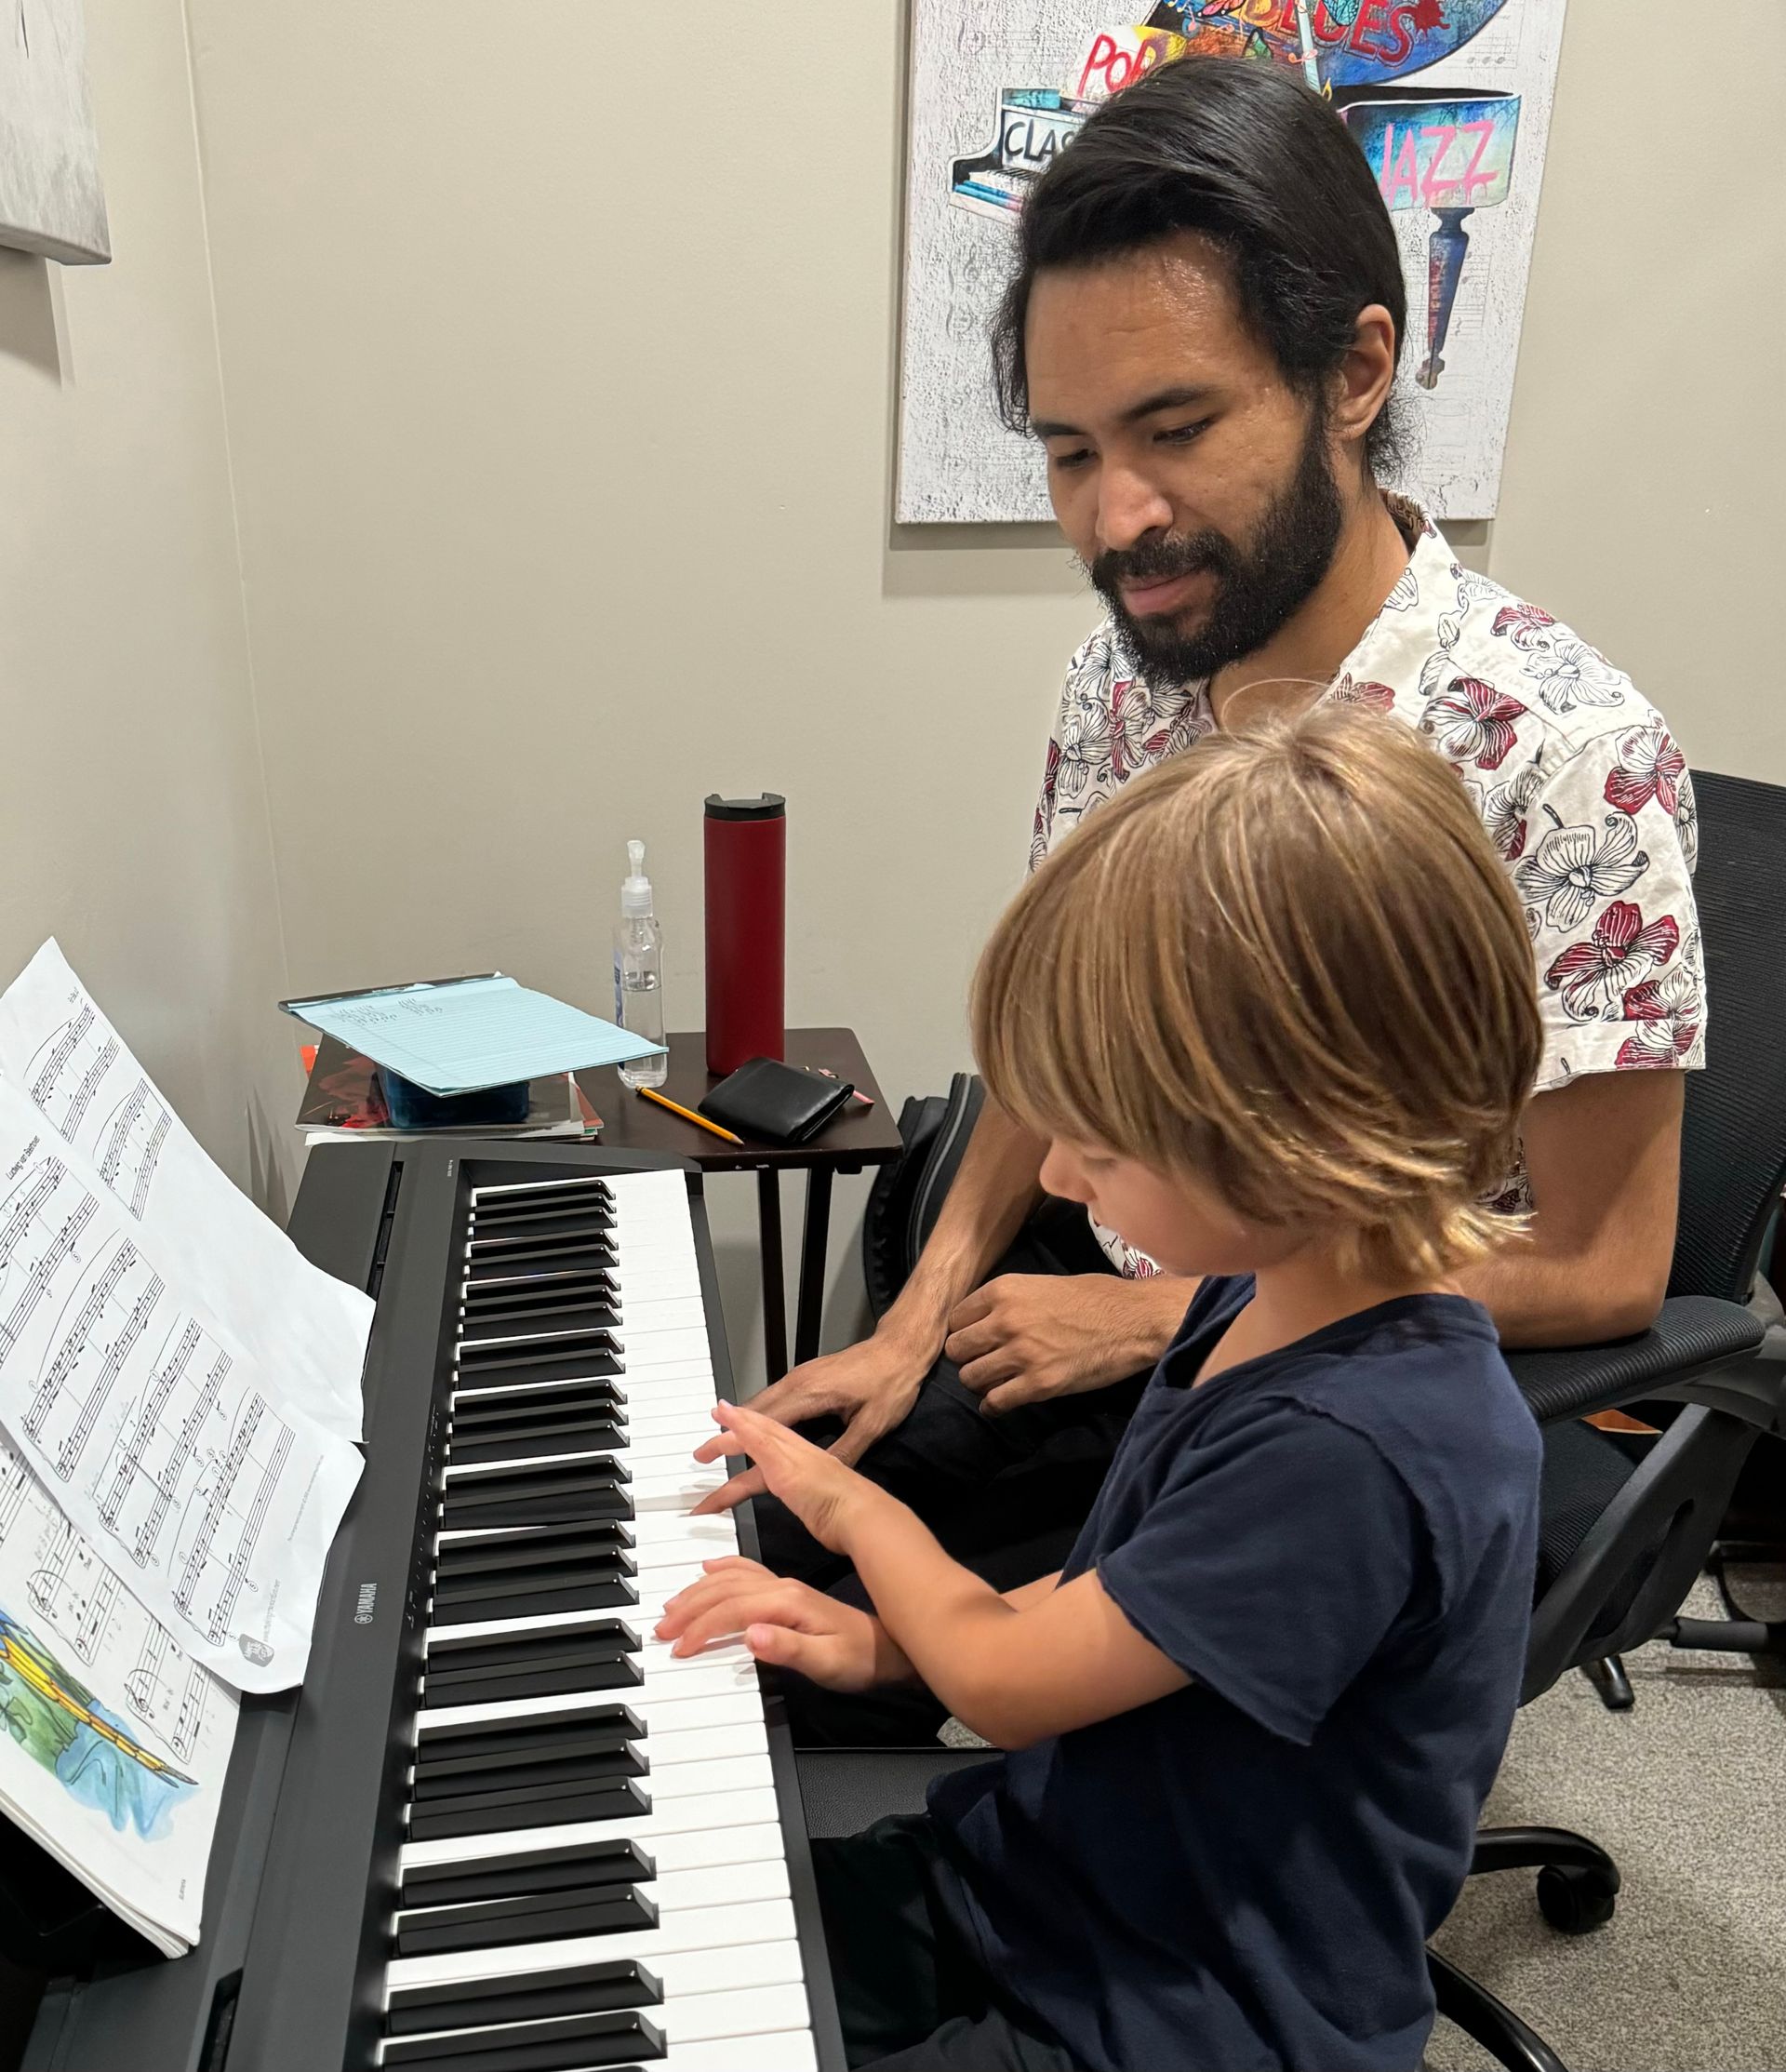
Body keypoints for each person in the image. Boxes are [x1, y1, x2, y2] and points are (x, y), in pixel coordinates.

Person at [695, 57, 1701, 1664]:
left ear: (1356, 371)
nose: (1117, 519)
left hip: (1329, 1370)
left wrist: (1172, 1313)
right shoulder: (1128, 672)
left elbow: (1606, 1267)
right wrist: (907, 1327)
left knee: (823, 1660)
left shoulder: (1559, 750)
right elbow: (1058, 1054)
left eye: (1175, 429)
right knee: (747, 1527)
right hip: (1101, 1276)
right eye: (1072, 451)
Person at [660, 708, 1545, 2072]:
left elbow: (1014, 1685)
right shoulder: (1257, 1297)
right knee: (684, 1975)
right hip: (1047, 1884)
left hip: (1185, 2018)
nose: (1059, 1179)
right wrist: (888, 1647)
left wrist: (857, 1518)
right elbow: (1121, 1610)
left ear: (1300, 1134)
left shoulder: (1354, 1445)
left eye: (1101, 1141)